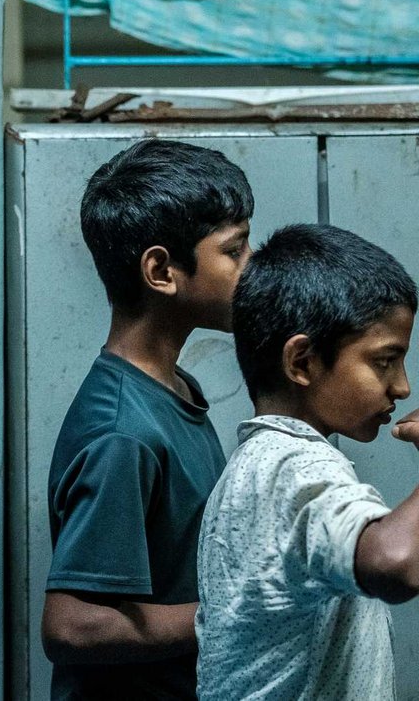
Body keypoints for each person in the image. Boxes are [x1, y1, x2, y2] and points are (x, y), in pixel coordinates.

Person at [43, 139, 253, 699]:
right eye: (234, 251)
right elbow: (73, 626)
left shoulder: (175, 391)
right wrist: (240, 611)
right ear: (161, 270)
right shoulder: (124, 433)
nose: (250, 268)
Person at [196, 223, 419, 700]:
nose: (402, 387)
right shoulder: (291, 464)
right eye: (384, 361)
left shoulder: (260, 463)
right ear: (301, 362)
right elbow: (397, 563)